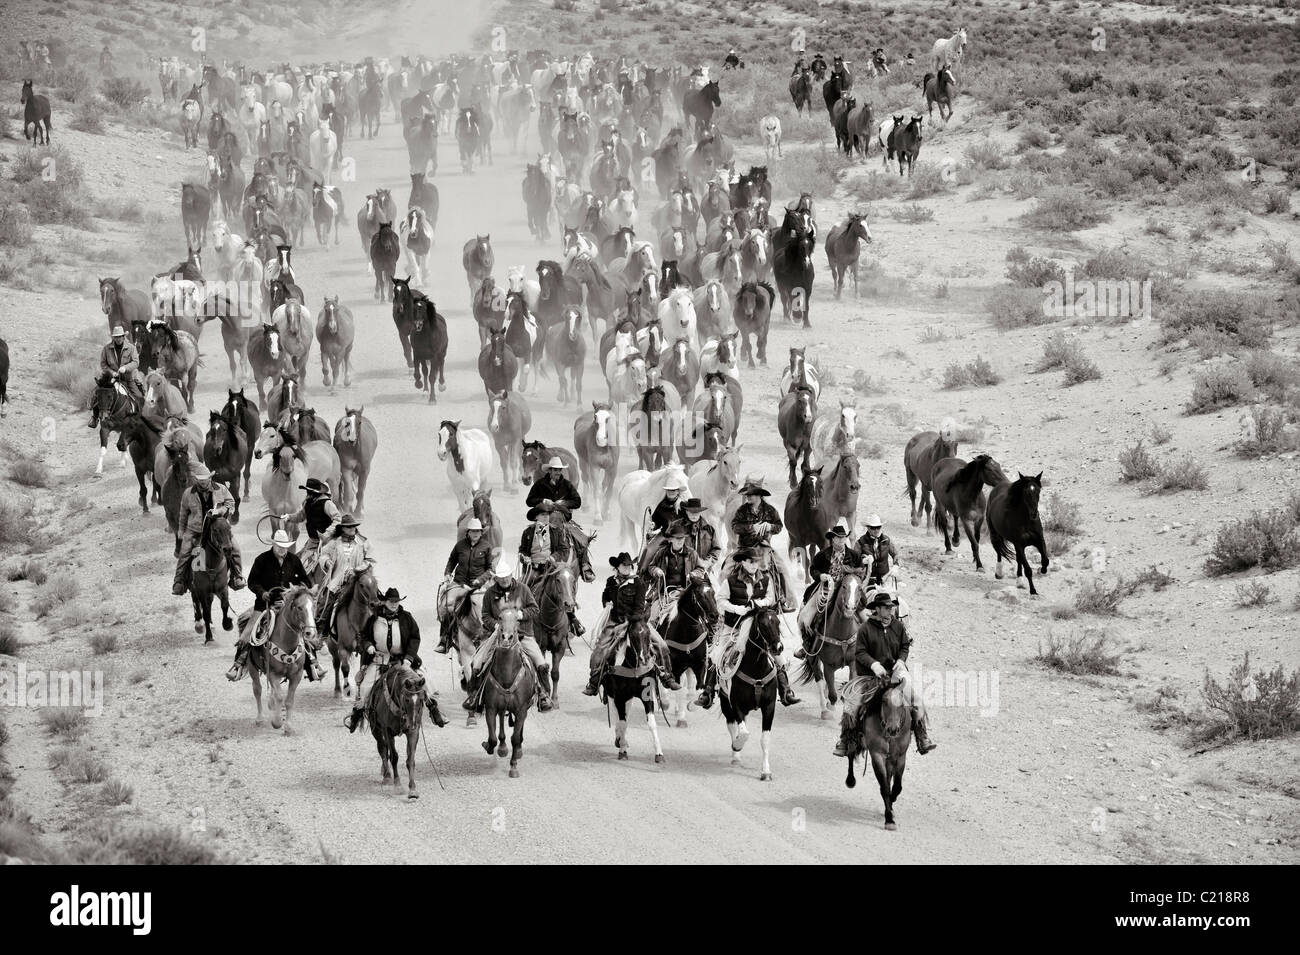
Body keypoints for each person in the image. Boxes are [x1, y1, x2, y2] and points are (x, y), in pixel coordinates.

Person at [832, 591, 936, 757]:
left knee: (916, 699)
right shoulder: (865, 628)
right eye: (887, 608)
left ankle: (922, 736)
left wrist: (901, 660)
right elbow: (860, 652)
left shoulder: (898, 626)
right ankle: (845, 740)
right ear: (878, 609)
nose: (891, 611)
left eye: (891, 608)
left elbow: (904, 646)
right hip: (869, 675)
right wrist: (874, 665)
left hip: (896, 674)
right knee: (851, 704)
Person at [695, 547, 799, 708]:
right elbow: (720, 600)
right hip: (734, 625)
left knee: (777, 653)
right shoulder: (730, 581)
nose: (754, 565)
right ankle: (708, 692)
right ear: (743, 562)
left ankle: (785, 690)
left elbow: (770, 598)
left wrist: (757, 604)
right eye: (750, 562)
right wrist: (737, 609)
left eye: (756, 562)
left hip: (758, 623)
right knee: (717, 654)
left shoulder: (765, 579)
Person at [345, 587, 450, 732]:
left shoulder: (406, 617)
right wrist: (368, 645)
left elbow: (415, 638)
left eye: (396, 601)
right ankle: (357, 715)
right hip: (380, 659)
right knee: (365, 687)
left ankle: (434, 710)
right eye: (391, 601)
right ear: (385, 602)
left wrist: (408, 658)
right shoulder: (373, 618)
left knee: (424, 680)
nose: (394, 604)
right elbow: (362, 636)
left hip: (402, 660)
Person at [581, 552, 681, 696]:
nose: (627, 568)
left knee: (661, 644)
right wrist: (606, 603)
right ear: (618, 567)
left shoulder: (638, 582)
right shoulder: (611, 581)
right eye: (624, 565)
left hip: (636, 621)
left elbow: (639, 607)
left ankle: (667, 676)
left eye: (629, 565)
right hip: (614, 621)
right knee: (599, 650)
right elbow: (606, 594)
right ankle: (594, 682)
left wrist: (628, 623)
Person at [463, 557, 553, 712]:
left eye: (506, 576)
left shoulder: (523, 589)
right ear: (496, 578)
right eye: (500, 577)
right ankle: (474, 696)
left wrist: (521, 614)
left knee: (541, 663)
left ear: (511, 575)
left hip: (523, 634)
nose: (504, 579)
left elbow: (535, 609)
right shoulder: (490, 593)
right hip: (497, 636)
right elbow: (485, 616)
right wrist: (496, 625)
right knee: (477, 662)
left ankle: (544, 696)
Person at [227, 529, 315, 681]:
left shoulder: (294, 560)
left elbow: (305, 581)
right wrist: (263, 593)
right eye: (279, 546)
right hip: (264, 605)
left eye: (285, 546)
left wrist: (300, 591)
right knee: (247, 634)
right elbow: (252, 582)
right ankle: (238, 665)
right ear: (273, 544)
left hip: (289, 606)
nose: (282, 549)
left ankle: (313, 665)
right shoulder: (262, 560)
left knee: (307, 629)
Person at [795, 520, 865, 658]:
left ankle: (866, 644)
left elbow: (860, 571)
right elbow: (813, 568)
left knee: (865, 614)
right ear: (832, 539)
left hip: (847, 588)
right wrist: (820, 576)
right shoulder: (822, 555)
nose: (841, 540)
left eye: (844, 537)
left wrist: (851, 572)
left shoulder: (854, 555)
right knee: (805, 617)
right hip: (826, 588)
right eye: (838, 537)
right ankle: (807, 645)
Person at [172, 464, 245, 596]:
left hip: (219, 528)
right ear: (196, 480)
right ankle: (179, 581)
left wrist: (221, 510)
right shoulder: (188, 493)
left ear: (209, 478)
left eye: (205, 479)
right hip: (195, 529)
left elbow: (231, 504)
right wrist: (181, 530)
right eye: (200, 479)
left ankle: (237, 576)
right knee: (185, 551)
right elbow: (183, 513)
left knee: (235, 548)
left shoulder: (221, 489)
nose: (203, 482)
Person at [517, 502, 585, 636]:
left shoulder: (555, 531)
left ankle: (572, 619)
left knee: (564, 585)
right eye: (543, 515)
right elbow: (522, 550)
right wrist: (525, 558)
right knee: (521, 588)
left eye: (547, 515)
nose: (546, 517)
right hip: (534, 569)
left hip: (551, 568)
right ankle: (519, 621)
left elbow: (563, 549)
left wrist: (554, 557)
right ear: (536, 517)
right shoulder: (528, 533)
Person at [524, 456, 595, 581]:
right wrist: (542, 500)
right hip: (544, 517)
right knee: (531, 536)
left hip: (562, 518)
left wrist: (564, 503)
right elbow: (529, 501)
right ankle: (528, 566)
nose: (558, 472)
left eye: (559, 470)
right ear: (549, 471)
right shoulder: (540, 484)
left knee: (580, 538)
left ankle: (585, 565)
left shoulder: (567, 485)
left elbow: (577, 502)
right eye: (555, 470)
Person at [730, 480, 794, 611]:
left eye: (751, 494)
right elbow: (734, 527)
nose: (748, 496)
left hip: (764, 548)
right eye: (747, 494)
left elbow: (779, 527)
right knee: (726, 570)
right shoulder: (742, 510)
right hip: (744, 548)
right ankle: (725, 603)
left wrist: (770, 526)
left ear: (759, 495)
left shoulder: (770, 510)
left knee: (783, 570)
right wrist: (751, 528)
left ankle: (784, 600)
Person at [437, 516, 493, 653]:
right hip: (459, 583)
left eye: (478, 531)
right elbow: (451, 561)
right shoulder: (460, 545)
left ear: (481, 533)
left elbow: (491, 569)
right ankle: (445, 638)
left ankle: (494, 635)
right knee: (446, 605)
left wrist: (480, 580)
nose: (475, 534)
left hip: (478, 586)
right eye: (473, 531)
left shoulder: (486, 547)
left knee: (493, 604)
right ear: (468, 532)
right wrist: (447, 574)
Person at [315, 513, 375, 639]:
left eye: (353, 526)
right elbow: (323, 555)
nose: (352, 528)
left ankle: (375, 630)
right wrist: (327, 561)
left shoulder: (363, 543)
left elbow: (369, 560)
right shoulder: (334, 543)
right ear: (342, 528)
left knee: (375, 598)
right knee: (325, 603)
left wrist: (357, 570)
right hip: (338, 581)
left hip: (358, 580)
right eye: (349, 527)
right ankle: (321, 632)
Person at [645, 521, 702, 630]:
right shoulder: (662, 553)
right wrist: (656, 570)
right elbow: (651, 566)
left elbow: (701, 569)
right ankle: (653, 644)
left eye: (682, 538)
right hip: (664, 592)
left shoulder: (692, 553)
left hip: (686, 592)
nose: (680, 541)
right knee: (653, 618)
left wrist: (694, 574)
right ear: (671, 539)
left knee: (701, 615)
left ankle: (709, 639)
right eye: (677, 538)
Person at [277, 477, 340, 574]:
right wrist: (289, 517)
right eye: (307, 491)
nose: (307, 493)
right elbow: (301, 516)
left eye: (309, 491)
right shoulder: (307, 503)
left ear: (315, 492)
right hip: (313, 542)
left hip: (327, 542)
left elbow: (337, 519)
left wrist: (327, 533)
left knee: (329, 566)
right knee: (300, 565)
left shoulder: (327, 503)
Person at [638, 471, 691, 572]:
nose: (671, 492)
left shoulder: (684, 506)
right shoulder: (661, 506)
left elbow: (690, 521)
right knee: (648, 550)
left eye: (674, 490)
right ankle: (642, 573)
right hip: (665, 536)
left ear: (678, 491)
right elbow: (656, 522)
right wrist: (653, 525)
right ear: (666, 491)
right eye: (669, 490)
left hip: (681, 536)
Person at [91, 326, 143, 427]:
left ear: (124, 337)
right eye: (116, 337)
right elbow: (103, 364)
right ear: (113, 338)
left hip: (128, 379)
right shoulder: (106, 349)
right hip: (111, 379)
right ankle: (95, 418)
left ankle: (139, 419)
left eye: (120, 336)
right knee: (97, 395)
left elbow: (136, 362)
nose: (118, 339)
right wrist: (111, 372)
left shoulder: (131, 348)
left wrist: (125, 368)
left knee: (139, 397)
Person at [859, 513, 900, 586]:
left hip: (885, 578)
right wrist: (863, 561)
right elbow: (854, 559)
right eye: (873, 528)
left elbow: (895, 554)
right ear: (868, 528)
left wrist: (896, 565)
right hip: (867, 579)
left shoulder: (886, 540)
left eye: (878, 527)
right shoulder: (861, 542)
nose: (876, 530)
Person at [681, 498, 721, 573]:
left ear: (700, 512)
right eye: (691, 512)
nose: (694, 515)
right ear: (686, 511)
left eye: (697, 512)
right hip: (682, 572)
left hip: (704, 570)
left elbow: (716, 549)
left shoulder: (709, 529)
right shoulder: (678, 527)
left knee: (713, 584)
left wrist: (707, 562)